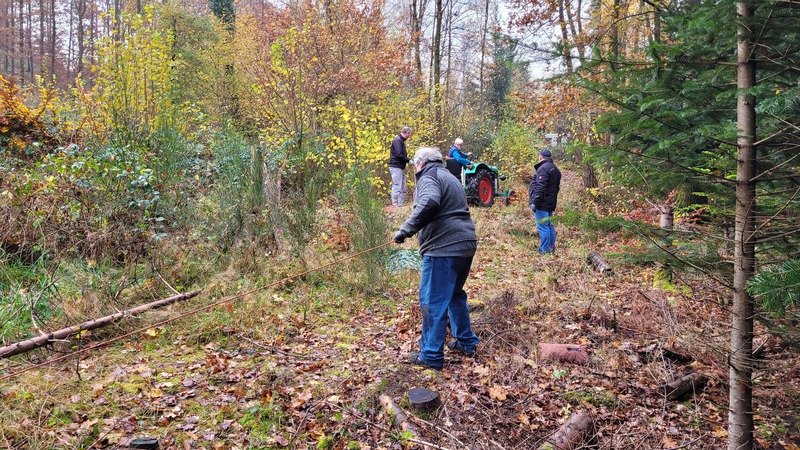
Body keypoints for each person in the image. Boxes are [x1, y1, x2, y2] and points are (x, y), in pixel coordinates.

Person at [393, 146, 480, 369]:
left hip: (443, 249)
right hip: (465, 245)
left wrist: (406, 229)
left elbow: (430, 201)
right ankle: (467, 343)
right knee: (454, 295)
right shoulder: (449, 176)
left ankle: (431, 355)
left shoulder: (429, 176)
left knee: (432, 302)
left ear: (420, 163)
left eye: (414, 165)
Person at [528, 148, 562, 254]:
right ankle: (551, 249)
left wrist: (535, 201)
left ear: (541, 157)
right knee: (549, 226)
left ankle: (544, 250)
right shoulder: (555, 169)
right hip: (550, 202)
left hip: (542, 203)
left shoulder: (543, 169)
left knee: (543, 227)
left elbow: (540, 187)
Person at [388, 127, 413, 207]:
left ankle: (399, 205)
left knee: (403, 187)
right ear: (407, 133)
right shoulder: (397, 140)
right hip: (395, 166)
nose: (409, 136)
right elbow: (399, 154)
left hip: (399, 167)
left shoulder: (400, 141)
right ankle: (395, 204)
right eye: (409, 134)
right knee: (397, 185)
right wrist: (408, 160)